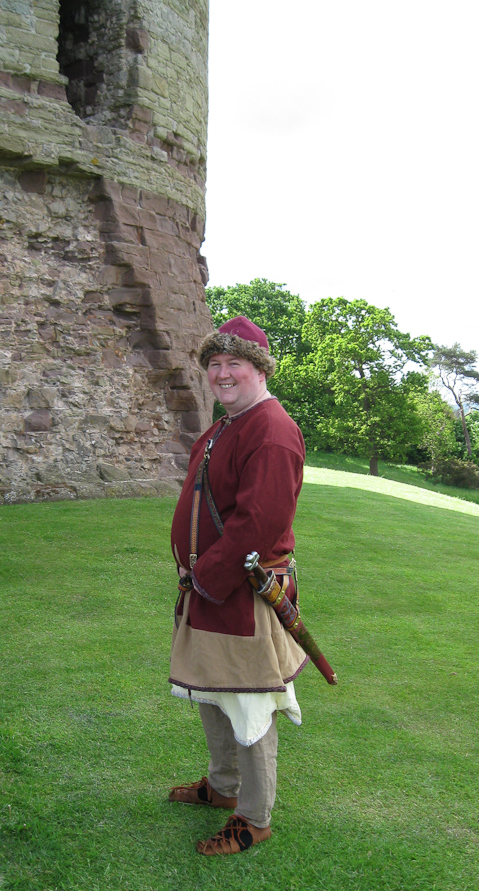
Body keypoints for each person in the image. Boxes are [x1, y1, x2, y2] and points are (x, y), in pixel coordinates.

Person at [168, 315, 307, 855]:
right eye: (215, 364)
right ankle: (224, 788)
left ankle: (253, 816)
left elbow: (260, 524)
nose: (223, 374)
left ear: (259, 370)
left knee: (248, 705)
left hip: (240, 593)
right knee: (211, 689)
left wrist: (206, 576)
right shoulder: (230, 421)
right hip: (209, 588)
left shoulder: (271, 430)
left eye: (235, 364)